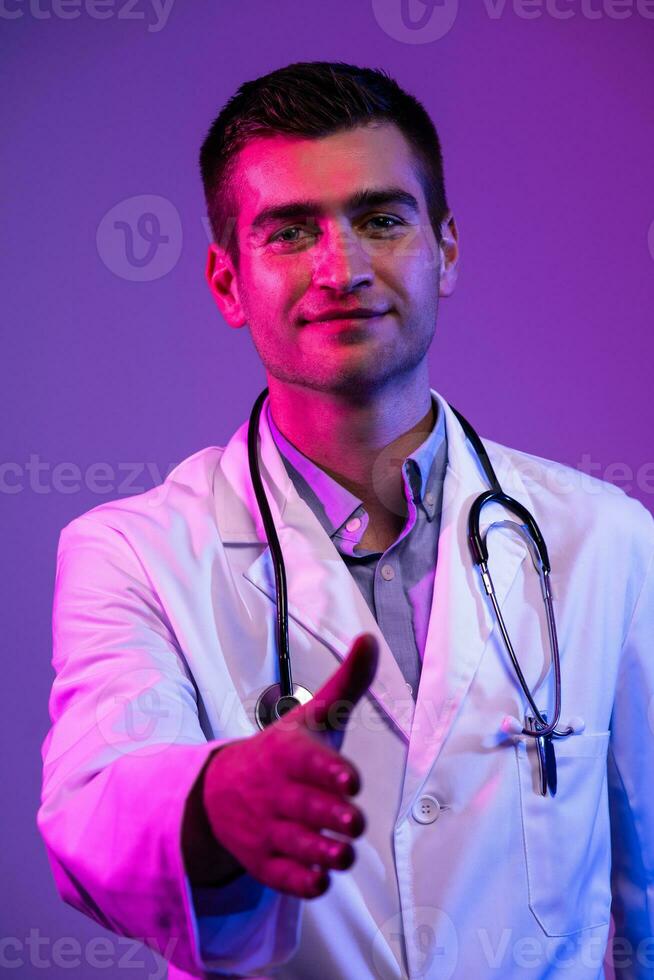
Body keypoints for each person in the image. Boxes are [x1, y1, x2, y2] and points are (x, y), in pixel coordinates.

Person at [37, 61, 654, 980]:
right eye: (290, 232)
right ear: (226, 282)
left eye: (381, 219)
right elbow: (91, 805)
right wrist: (214, 801)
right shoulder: (130, 551)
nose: (343, 268)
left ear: (444, 249)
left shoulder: (607, 538)